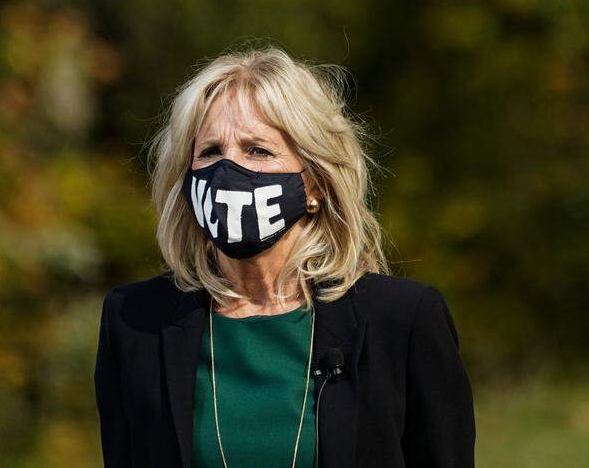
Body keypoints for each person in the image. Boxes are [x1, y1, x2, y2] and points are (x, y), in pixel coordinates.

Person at [93, 46, 475, 468]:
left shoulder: (403, 321)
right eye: (210, 151)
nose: (229, 169)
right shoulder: (135, 322)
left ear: (314, 183)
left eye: (257, 150)